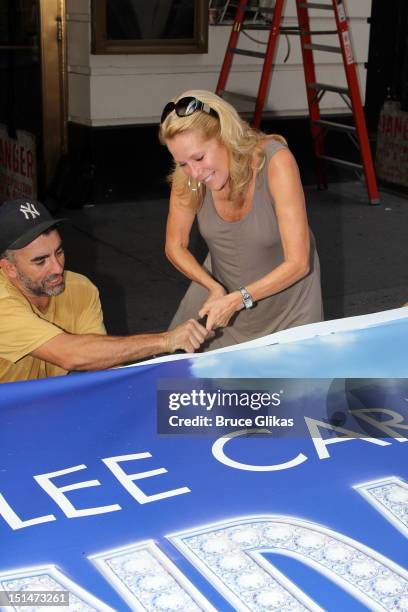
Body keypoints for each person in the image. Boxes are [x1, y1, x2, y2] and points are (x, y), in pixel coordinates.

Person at [159, 90, 323, 351]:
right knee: (180, 386)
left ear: (226, 136)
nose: (195, 172)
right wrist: (212, 286)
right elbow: (174, 245)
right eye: (182, 163)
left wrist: (239, 299)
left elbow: (299, 263)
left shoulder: (275, 162)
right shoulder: (189, 177)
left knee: (287, 391)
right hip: (222, 302)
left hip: (289, 308)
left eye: (199, 158)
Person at [0, 198, 210, 383]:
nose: (57, 268)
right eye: (40, 261)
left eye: (59, 251)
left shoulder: (79, 288)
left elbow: (100, 362)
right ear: (9, 269)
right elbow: (71, 355)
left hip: (45, 403)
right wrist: (165, 340)